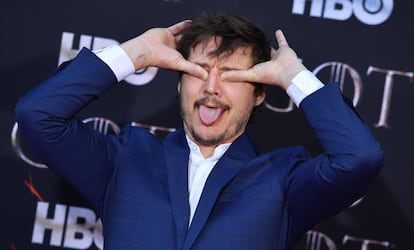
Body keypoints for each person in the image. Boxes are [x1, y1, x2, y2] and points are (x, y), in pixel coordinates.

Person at [15, 12, 384, 250]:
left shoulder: (285, 181)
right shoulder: (125, 159)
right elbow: (37, 115)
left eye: (231, 74)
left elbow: (360, 158)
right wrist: (135, 53)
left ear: (259, 93)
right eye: (199, 70)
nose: (211, 86)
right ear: (178, 83)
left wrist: (294, 76)